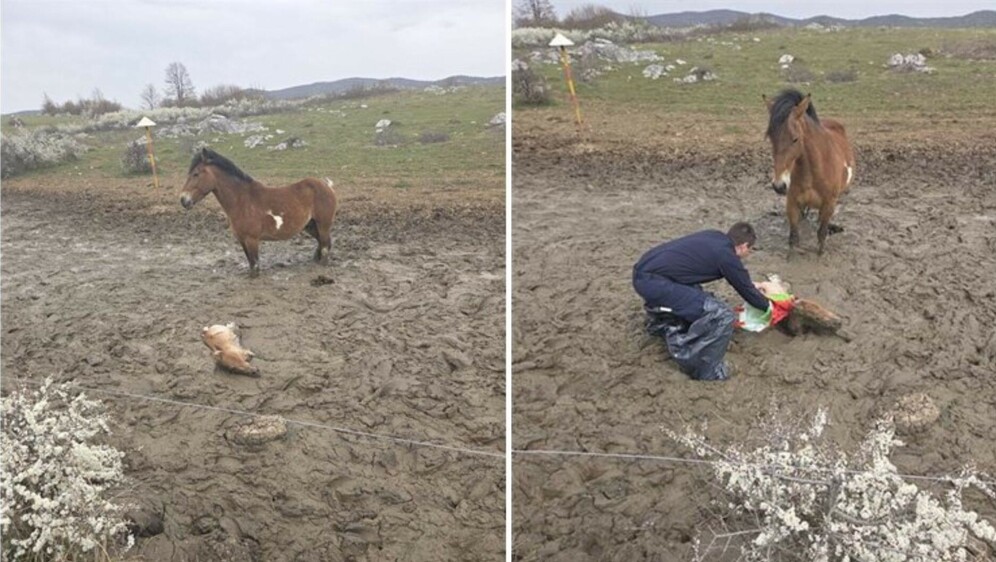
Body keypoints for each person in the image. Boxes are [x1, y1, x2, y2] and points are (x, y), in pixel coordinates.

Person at [632, 222, 771, 381]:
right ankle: (705, 370)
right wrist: (769, 307)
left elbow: (742, 281)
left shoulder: (714, 236)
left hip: (644, 272)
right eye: (750, 250)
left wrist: (753, 286)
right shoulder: (727, 256)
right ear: (744, 246)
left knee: (698, 295)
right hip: (654, 283)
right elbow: (746, 290)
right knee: (722, 315)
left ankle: (661, 324)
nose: (748, 254)